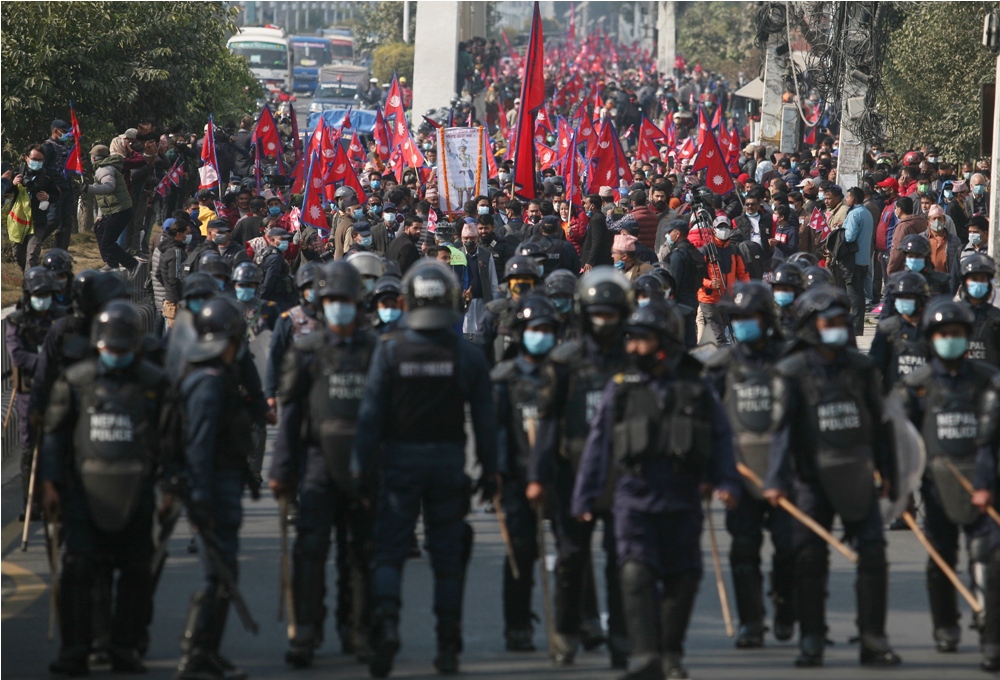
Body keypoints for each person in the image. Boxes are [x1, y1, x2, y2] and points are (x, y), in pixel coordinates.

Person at [572, 298, 740, 679]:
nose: (631, 347)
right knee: (636, 574)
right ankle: (645, 657)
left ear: (664, 341)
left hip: (683, 498)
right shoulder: (622, 387)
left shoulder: (696, 385)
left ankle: (670, 653)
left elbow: (721, 437)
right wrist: (585, 495)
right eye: (630, 339)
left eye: (641, 340)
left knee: (684, 576)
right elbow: (599, 444)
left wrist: (727, 481)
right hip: (634, 499)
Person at [352, 259, 497, 677]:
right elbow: (484, 422)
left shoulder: (389, 349)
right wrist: (490, 472)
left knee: (389, 552)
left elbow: (370, 417)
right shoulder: (466, 355)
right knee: (447, 556)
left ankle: (386, 627)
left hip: (398, 463)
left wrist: (361, 472)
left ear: (407, 301)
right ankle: (448, 644)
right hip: (449, 463)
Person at [763, 285, 901, 668]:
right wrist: (775, 480)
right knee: (809, 559)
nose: (837, 328)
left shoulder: (860, 369)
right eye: (829, 321)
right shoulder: (790, 371)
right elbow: (781, 431)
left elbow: (879, 423)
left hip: (857, 471)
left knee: (872, 554)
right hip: (810, 477)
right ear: (810, 325)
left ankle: (873, 638)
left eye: (842, 321)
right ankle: (811, 638)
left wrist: (888, 473)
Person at [40, 301, 167, 675]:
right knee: (79, 570)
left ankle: (125, 647)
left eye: (122, 350)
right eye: (110, 349)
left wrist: (172, 487)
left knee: (136, 573)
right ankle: (76, 649)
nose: (115, 355)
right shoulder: (76, 381)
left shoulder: (153, 384)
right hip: (83, 490)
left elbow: (172, 437)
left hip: (138, 490)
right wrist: (50, 483)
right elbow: (55, 435)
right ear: (98, 344)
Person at [269, 260, 380, 667]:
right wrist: (282, 470)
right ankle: (306, 632)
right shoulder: (307, 351)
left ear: (358, 302)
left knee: (362, 553)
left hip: (365, 466)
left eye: (344, 300)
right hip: (317, 462)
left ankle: (359, 631)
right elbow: (292, 413)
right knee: (310, 550)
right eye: (330, 299)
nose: (337, 306)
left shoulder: (376, 351)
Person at [526, 267, 633, 669]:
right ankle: (567, 634)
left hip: (624, 476)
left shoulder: (635, 360)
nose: (604, 322)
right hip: (573, 475)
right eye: (597, 314)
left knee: (623, 561)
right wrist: (538, 477)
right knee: (571, 560)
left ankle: (624, 637)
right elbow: (548, 422)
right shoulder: (564, 362)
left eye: (612, 313)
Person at [897, 300, 1000, 668]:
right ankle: (946, 627)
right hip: (935, 488)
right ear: (931, 338)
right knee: (940, 560)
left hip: (983, 483)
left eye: (956, 334)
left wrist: (987, 484)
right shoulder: (916, 386)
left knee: (988, 558)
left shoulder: (988, 380)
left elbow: (991, 440)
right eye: (942, 335)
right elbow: (903, 444)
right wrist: (903, 493)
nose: (949, 340)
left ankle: (991, 634)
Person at [703, 282, 795, 649]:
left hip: (783, 473)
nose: (743, 324)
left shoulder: (788, 363)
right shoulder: (721, 367)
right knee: (743, 551)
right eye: (737, 318)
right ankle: (751, 622)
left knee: (789, 549)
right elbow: (708, 425)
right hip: (739, 474)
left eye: (750, 317)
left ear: (766, 320)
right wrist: (714, 476)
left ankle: (786, 609)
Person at [174, 297, 254, 680]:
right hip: (213, 490)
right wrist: (201, 501)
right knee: (217, 574)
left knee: (225, 572)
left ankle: (209, 650)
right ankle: (195, 653)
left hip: (223, 484)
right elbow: (200, 447)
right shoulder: (208, 385)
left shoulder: (217, 375)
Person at [490, 294, 561, 652]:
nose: (541, 335)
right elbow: (498, 432)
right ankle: (517, 625)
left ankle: (573, 623)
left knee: (570, 553)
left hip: (560, 477)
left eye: (547, 329)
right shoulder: (506, 379)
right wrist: (498, 477)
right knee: (519, 552)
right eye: (534, 329)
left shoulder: (564, 374)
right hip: (518, 477)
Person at [6, 267, 65, 518]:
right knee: (29, 446)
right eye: (38, 293)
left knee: (61, 444)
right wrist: (44, 361)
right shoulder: (16, 321)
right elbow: (17, 354)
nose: (43, 298)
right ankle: (31, 504)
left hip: (60, 390)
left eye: (47, 293)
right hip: (30, 390)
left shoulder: (62, 318)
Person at [265, 262, 324, 410]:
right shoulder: (289, 318)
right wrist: (270, 392)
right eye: (308, 287)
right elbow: (275, 354)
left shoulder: (331, 318)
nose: (313, 291)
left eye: (316, 286)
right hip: (294, 387)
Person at [868, 272, 931, 393]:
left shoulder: (932, 329)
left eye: (908, 298)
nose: (904, 301)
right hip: (896, 397)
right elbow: (875, 368)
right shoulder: (887, 329)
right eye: (900, 298)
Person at [3, 144, 63, 270]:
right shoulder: (15, 173)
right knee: (18, 254)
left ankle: (31, 280)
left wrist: (48, 197)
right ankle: (30, 274)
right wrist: (13, 184)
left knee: (32, 254)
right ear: (26, 158)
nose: (37, 162)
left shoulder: (47, 176)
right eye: (34, 159)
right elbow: (4, 194)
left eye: (40, 160)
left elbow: (57, 195)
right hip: (18, 221)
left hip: (37, 221)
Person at [81, 145, 138, 271]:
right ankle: (111, 263)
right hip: (115, 210)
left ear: (94, 158)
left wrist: (88, 188)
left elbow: (108, 187)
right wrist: (100, 216)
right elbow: (104, 196)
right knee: (99, 231)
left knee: (108, 242)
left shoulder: (104, 169)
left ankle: (132, 264)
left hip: (120, 210)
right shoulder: (103, 168)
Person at [696, 217, 749, 346]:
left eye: (726, 227)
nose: (723, 230)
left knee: (724, 332)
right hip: (709, 299)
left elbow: (743, 273)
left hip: (727, 298)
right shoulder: (706, 250)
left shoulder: (734, 250)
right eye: (720, 227)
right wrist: (710, 283)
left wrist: (747, 291)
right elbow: (695, 276)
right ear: (714, 230)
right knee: (720, 336)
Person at [664, 219, 706, 347]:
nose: (668, 235)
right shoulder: (693, 250)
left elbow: (674, 279)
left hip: (680, 300)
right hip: (692, 297)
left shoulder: (677, 254)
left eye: (670, 232)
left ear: (677, 234)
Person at [839, 186, 874, 335]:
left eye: (847, 197)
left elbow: (849, 237)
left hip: (853, 260)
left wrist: (841, 231)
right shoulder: (867, 213)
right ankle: (857, 326)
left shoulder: (854, 214)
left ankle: (854, 326)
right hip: (864, 259)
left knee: (853, 295)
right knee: (858, 294)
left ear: (853, 198)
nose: (846, 199)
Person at [956, 253, 1000, 367]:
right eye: (974, 279)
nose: (978, 283)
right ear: (965, 281)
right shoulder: (954, 314)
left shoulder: (996, 317)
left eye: (982, 279)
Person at [155, 217, 192, 329]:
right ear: (179, 234)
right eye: (187, 233)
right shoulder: (176, 252)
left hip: (170, 301)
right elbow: (175, 279)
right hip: (175, 305)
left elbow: (159, 274)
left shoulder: (167, 249)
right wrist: (178, 298)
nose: (189, 236)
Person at [258, 227, 297, 310]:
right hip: (277, 299)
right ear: (272, 240)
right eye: (282, 239)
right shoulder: (275, 258)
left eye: (286, 239)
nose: (285, 242)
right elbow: (269, 280)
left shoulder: (269, 253)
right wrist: (261, 299)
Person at [769, 262, 804, 340]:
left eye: (785, 289)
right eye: (777, 289)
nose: (781, 293)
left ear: (796, 291)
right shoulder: (770, 316)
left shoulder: (805, 316)